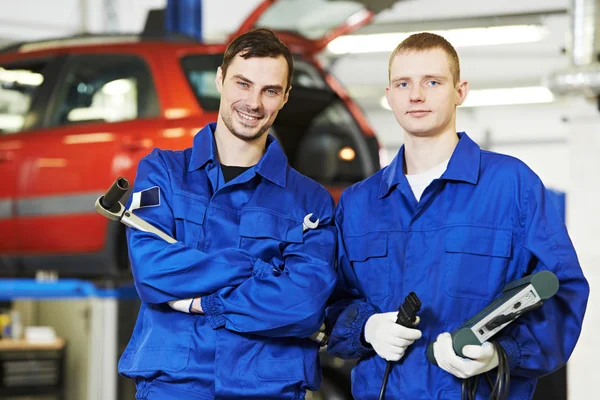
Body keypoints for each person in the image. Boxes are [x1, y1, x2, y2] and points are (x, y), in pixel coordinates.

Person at [325, 32, 589, 399]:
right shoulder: (358, 203)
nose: (416, 95)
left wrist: (501, 353)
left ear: (460, 91)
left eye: (433, 82)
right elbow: (329, 300)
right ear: (389, 95)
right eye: (404, 83)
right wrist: (366, 328)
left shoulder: (512, 185)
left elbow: (563, 291)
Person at [118, 28, 337, 400]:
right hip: (174, 385)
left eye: (270, 90)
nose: (253, 102)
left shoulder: (310, 200)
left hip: (269, 387)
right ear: (220, 80)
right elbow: (152, 269)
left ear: (284, 97)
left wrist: (206, 302)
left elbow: (303, 304)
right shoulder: (163, 173)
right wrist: (259, 269)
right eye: (243, 83)